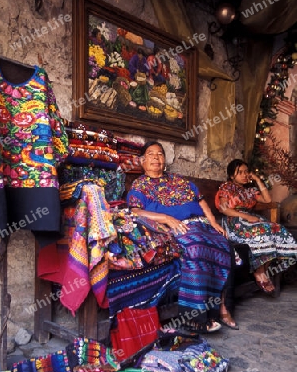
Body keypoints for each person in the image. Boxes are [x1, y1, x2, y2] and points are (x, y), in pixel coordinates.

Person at [126, 141, 238, 332]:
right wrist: (166, 218)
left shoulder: (179, 180)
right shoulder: (140, 185)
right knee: (195, 248)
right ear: (142, 162)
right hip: (177, 228)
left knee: (225, 246)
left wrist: (213, 222)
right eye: (151, 154)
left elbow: (201, 202)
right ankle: (196, 317)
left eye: (160, 154)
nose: (156, 157)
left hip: (200, 224)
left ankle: (221, 307)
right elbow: (135, 211)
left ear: (165, 160)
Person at [215, 159, 297, 294]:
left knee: (278, 228)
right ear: (231, 176)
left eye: (246, 172)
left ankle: (262, 270)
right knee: (264, 230)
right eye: (240, 172)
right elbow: (224, 209)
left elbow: (268, 200)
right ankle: (259, 272)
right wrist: (246, 217)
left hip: (250, 220)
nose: (244, 175)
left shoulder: (250, 191)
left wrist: (258, 180)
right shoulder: (227, 187)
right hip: (234, 222)